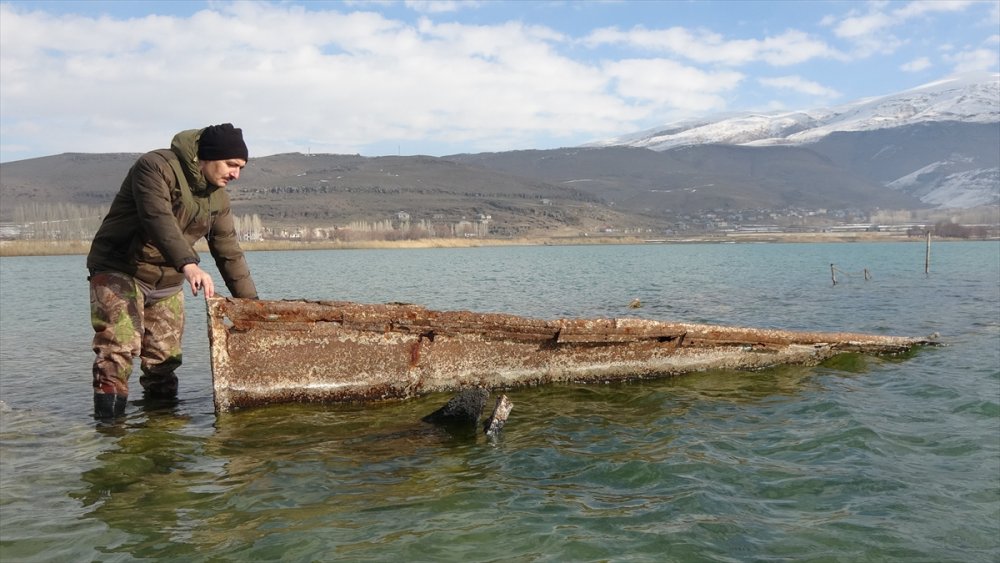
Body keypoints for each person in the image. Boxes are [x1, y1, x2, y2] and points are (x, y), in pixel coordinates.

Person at [86, 123, 258, 419]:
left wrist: (252, 308)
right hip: (121, 269)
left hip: (167, 279)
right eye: (231, 164)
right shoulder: (155, 167)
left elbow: (228, 251)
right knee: (118, 350)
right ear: (208, 156)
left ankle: (161, 433)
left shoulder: (217, 196)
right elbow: (157, 218)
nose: (235, 174)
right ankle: (109, 437)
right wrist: (189, 265)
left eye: (240, 167)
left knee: (164, 361)